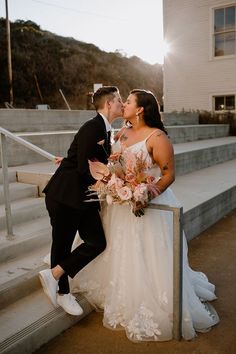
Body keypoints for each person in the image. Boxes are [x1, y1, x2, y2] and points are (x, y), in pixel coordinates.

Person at [70, 89, 219, 340]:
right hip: (119, 203)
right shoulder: (123, 131)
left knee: (146, 254)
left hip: (147, 205)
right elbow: (113, 161)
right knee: (117, 248)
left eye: (128, 102)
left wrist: (146, 194)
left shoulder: (157, 137)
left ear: (140, 109)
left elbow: (168, 174)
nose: (124, 105)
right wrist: (111, 180)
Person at [39, 86, 124, 316]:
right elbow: (83, 167)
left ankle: (53, 274)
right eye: (119, 100)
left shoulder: (105, 130)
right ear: (108, 104)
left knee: (97, 242)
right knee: (62, 244)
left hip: (84, 197)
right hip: (65, 195)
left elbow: (84, 158)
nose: (122, 104)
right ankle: (63, 293)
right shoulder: (92, 126)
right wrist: (109, 182)